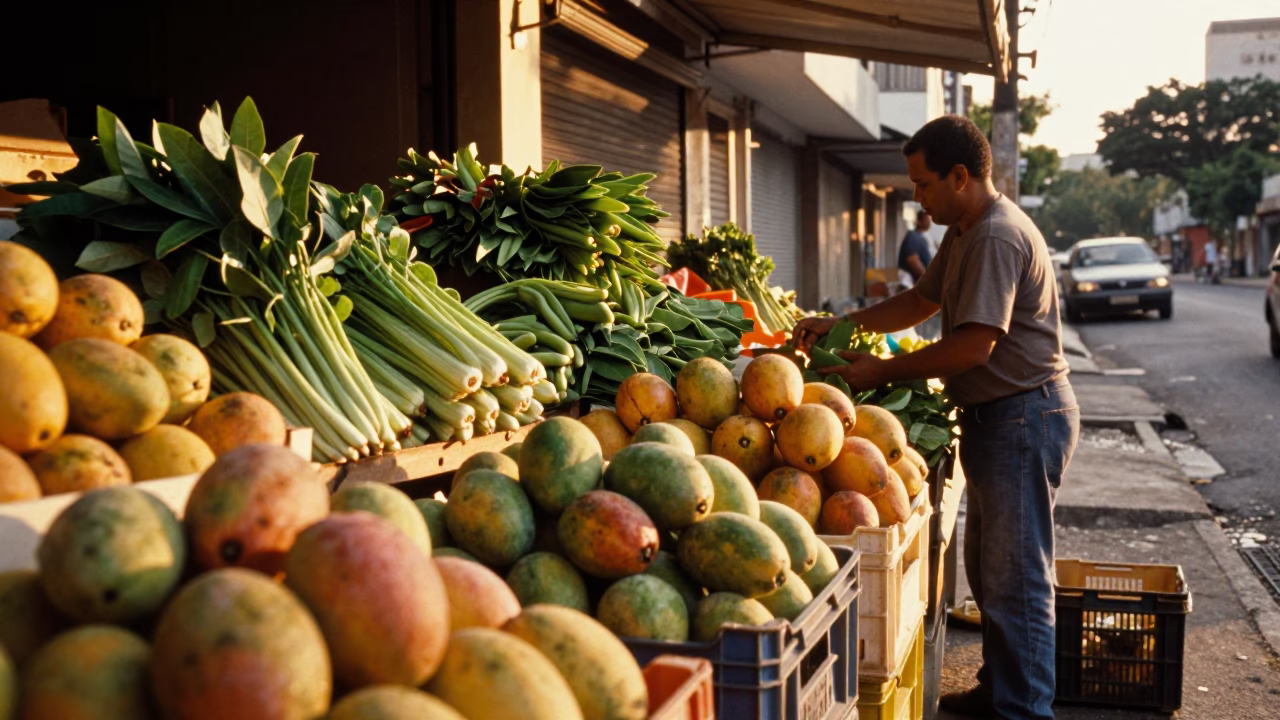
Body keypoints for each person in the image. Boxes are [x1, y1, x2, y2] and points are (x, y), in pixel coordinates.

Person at [793, 115, 1079, 720]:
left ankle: (1025, 710)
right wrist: (844, 326)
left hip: (1025, 416)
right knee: (990, 567)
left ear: (959, 176)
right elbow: (921, 301)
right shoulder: (964, 229)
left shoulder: (998, 235)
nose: (917, 198)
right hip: (998, 416)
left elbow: (976, 345)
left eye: (923, 185)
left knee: (1017, 576)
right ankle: (1000, 690)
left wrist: (880, 373)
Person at [897, 212, 933, 288]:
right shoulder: (913, 237)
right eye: (928, 219)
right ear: (921, 220)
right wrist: (927, 280)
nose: (930, 221)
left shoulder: (922, 237)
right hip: (910, 285)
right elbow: (912, 260)